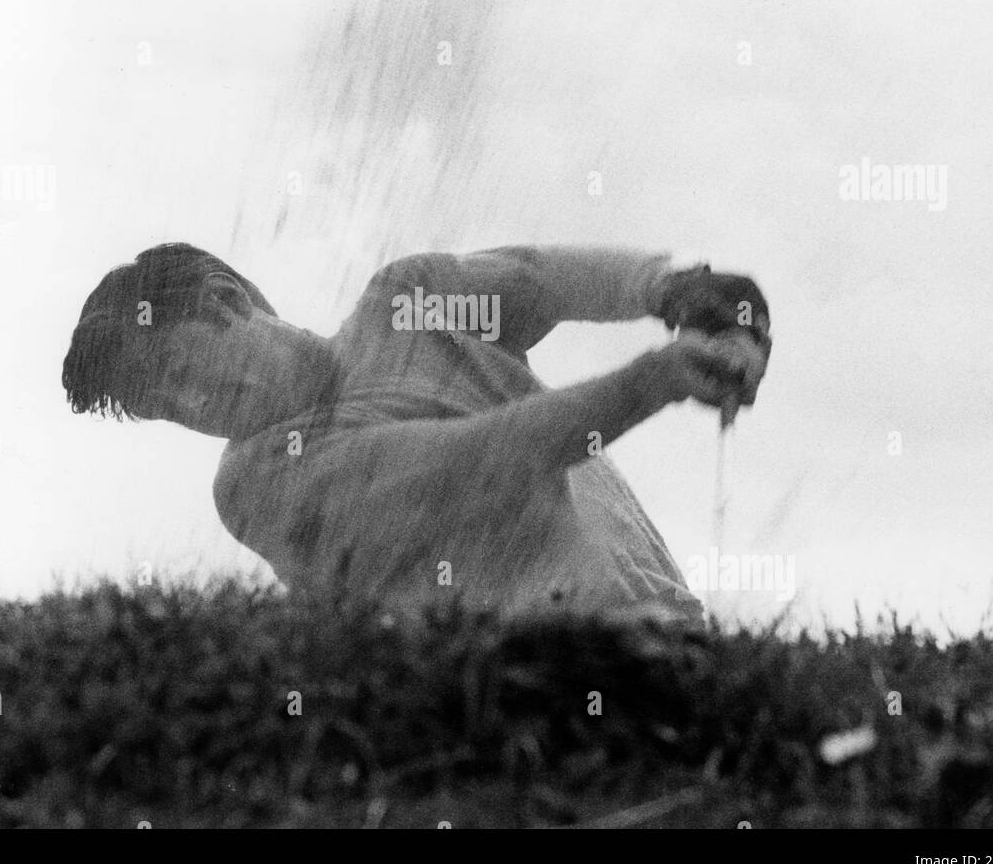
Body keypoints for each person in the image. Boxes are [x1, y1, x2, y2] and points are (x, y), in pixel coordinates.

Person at [62, 243, 771, 623]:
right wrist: (654, 380)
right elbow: (481, 464)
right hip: (514, 708)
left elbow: (536, 281)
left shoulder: (405, 302)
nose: (196, 404)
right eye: (171, 409)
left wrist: (671, 291)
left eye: (183, 368)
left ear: (227, 300)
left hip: (670, 632)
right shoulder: (256, 482)